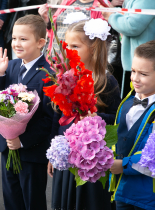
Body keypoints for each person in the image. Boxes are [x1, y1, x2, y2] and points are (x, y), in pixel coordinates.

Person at [50, 19, 121, 210]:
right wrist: (54, 151)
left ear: (93, 48)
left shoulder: (107, 82)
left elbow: (117, 118)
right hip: (68, 155)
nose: (68, 50)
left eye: (75, 45)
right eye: (66, 45)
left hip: (92, 160)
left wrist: (95, 119)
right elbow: (57, 119)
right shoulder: (66, 77)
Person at [110, 40, 155, 210]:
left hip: (152, 197)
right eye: (133, 71)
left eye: (143, 74)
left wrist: (123, 165)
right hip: (122, 190)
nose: (135, 78)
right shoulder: (127, 102)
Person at [0, 15, 55, 210]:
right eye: (14, 38)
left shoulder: (48, 73)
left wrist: (23, 141)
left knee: (32, 200)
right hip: (7, 146)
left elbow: (48, 118)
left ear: (41, 42)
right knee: (11, 198)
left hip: (31, 151)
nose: (16, 43)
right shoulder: (10, 66)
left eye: (23, 39)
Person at [39, 0, 107, 51]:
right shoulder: (68, 1)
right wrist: (47, 19)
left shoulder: (101, 6)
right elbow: (53, 26)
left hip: (78, 58)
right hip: (55, 54)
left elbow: (100, 38)